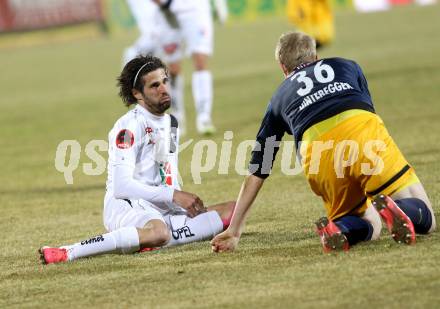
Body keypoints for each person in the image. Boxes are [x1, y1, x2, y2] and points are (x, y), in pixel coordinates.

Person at [211, 31, 436, 253]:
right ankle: (401, 207)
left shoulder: (278, 98)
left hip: (318, 156)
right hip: (361, 134)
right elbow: (367, 110)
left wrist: (235, 229)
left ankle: (341, 229)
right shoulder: (348, 65)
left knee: (371, 225)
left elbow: (258, 169)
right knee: (426, 214)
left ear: (282, 67)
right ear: (315, 56)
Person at [40, 55, 234, 264]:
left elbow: (167, 170)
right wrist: (174, 195)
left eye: (165, 82)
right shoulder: (128, 127)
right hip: (127, 203)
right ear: (137, 94)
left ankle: (146, 239)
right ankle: (68, 252)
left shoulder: (172, 123)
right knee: (160, 232)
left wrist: (177, 203)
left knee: (234, 210)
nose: (164, 89)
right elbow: (122, 187)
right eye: (154, 85)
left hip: (160, 204)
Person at [151, 0, 221, 135]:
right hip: (167, 12)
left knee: (200, 60)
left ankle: (204, 117)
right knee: (173, 69)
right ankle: (176, 117)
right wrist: (164, 5)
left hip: (195, 10)